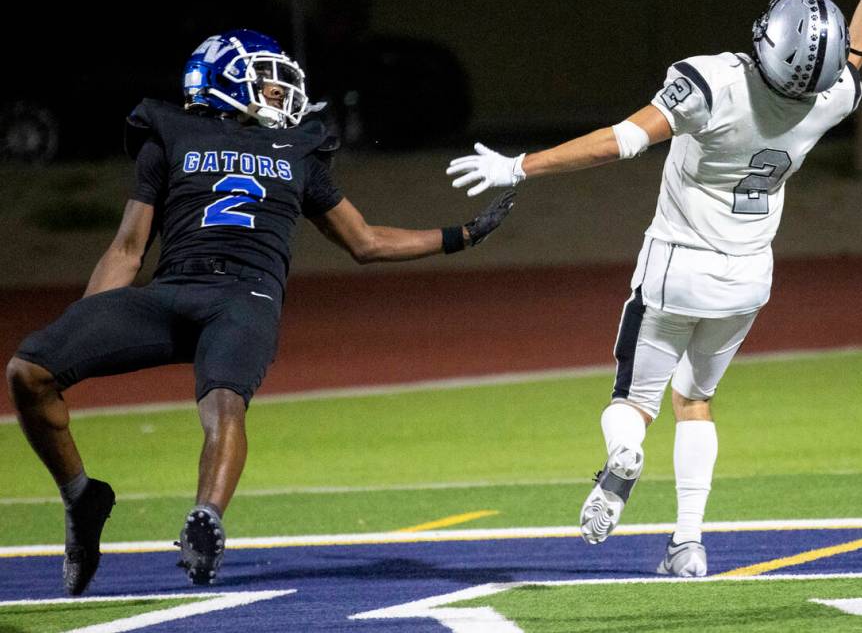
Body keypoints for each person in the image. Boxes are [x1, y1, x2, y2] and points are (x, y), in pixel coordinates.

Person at [447, 0, 862, 577]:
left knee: (634, 402)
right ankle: (688, 543)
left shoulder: (712, 81)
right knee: (695, 400)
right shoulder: (826, 99)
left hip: (676, 264)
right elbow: (856, 45)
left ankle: (622, 457)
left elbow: (620, 142)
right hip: (747, 277)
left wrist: (519, 164)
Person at [5, 29, 515, 595]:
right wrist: (86, 329)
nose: (280, 91)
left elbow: (365, 240)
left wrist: (460, 235)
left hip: (246, 298)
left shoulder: (298, 148)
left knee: (224, 404)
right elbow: (128, 249)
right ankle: (82, 498)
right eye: (268, 78)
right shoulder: (170, 132)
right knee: (29, 371)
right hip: (172, 289)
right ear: (221, 81)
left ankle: (206, 521)